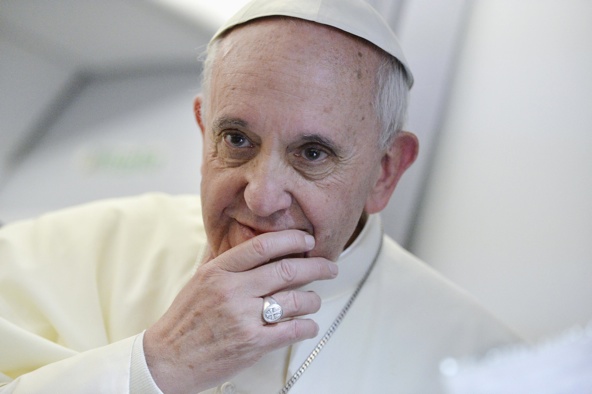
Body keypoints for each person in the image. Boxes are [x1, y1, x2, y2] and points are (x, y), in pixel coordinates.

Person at [0, 0, 519, 392]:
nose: (262, 195)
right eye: (238, 140)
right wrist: (154, 365)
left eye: (312, 153)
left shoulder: (486, 364)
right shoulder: (66, 251)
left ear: (385, 173)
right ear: (204, 131)